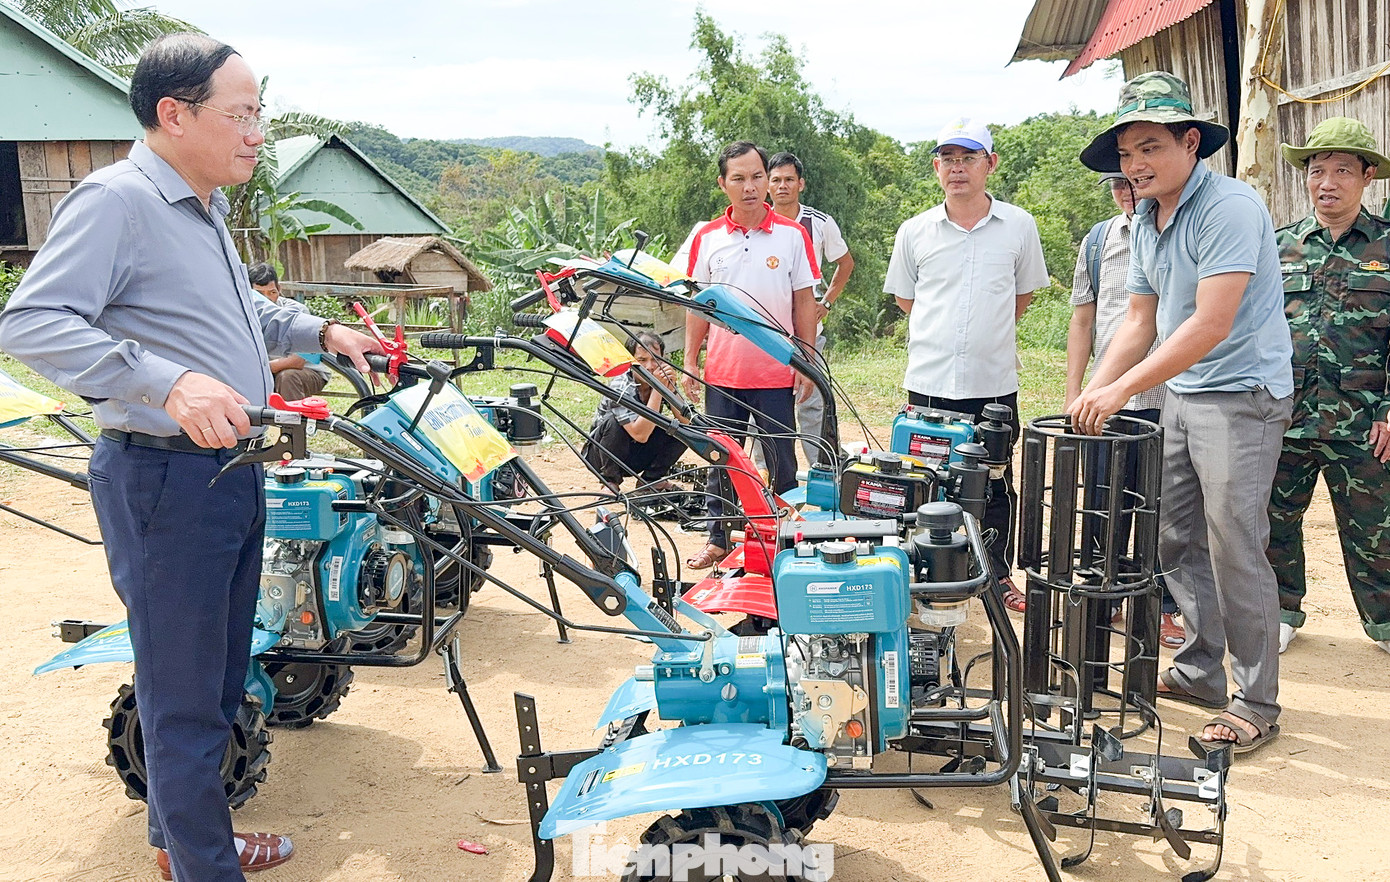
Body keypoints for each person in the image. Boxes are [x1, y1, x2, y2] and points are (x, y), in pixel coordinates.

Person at [0, 34, 381, 880]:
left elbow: (242, 312)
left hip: (226, 476)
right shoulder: (116, 201)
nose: (256, 133)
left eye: (259, 114)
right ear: (175, 114)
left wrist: (321, 330)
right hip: (164, 478)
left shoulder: (199, 206)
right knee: (181, 697)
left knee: (214, 683)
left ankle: (184, 843)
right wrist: (166, 383)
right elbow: (29, 321)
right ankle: (205, 866)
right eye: (240, 114)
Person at [1069, 71, 1294, 755]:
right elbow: (1140, 320)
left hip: (1242, 395)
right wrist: (1093, 392)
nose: (1135, 166)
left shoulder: (1229, 207)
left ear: (1189, 141)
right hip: (1181, 392)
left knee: (1234, 543)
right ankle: (1200, 668)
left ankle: (1256, 700)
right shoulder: (1145, 215)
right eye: (1126, 156)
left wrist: (1116, 391)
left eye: (1149, 148)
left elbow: (1210, 323)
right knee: (1171, 536)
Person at [884, 117, 1049, 610]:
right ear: (937, 167)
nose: (957, 169)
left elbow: (1023, 296)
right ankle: (930, 573)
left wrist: (981, 335)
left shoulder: (1018, 225)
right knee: (924, 478)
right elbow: (907, 300)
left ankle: (996, 574)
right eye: (947, 159)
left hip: (992, 381)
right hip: (930, 380)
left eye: (968, 158)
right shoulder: (916, 231)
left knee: (995, 480)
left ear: (989, 164)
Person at [1269, 117, 1390, 657]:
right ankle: (1278, 612)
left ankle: (1384, 624)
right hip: (1285, 416)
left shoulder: (1386, 248)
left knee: (1376, 532)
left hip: (1364, 421)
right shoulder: (1278, 247)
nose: (1328, 182)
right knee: (1273, 522)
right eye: (1318, 170)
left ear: (1367, 177)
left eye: (1343, 170)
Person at [676, 140, 819, 569]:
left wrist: (806, 360)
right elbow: (697, 304)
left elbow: (804, 302)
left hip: (777, 369)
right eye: (739, 178)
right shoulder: (707, 237)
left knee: (783, 463)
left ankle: (784, 542)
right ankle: (718, 538)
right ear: (723, 184)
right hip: (723, 372)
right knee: (722, 460)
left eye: (757, 176)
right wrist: (689, 359)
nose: (751, 186)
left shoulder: (793, 236)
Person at [1066, 172, 1184, 650]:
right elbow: (1082, 318)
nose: (1126, 192)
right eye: (1117, 183)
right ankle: (1104, 596)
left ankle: (1161, 607)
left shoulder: (1175, 234)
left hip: (1166, 396)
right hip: (1105, 397)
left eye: (1132, 183)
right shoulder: (1097, 241)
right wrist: (1076, 390)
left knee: (1160, 505)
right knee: (1102, 500)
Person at [767, 151, 854, 466]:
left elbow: (845, 264)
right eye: (776, 180)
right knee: (763, 412)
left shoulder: (818, 223)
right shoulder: (757, 222)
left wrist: (827, 302)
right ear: (766, 185)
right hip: (765, 333)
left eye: (789, 179)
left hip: (806, 333)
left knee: (812, 404)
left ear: (800, 184)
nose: (783, 186)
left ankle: (824, 474)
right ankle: (767, 482)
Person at [581, 331, 688, 492]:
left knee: (684, 431)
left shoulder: (662, 378)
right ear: (630, 361)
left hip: (637, 452)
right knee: (613, 422)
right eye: (642, 360)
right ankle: (610, 481)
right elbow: (640, 434)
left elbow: (687, 421)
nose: (649, 367)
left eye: (655, 359)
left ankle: (650, 480)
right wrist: (659, 390)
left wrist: (671, 389)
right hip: (603, 455)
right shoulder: (620, 385)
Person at [247, 262, 332, 401]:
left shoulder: (296, 311)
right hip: (265, 372)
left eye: (272, 292)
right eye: (260, 295)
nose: (267, 299)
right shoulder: (241, 316)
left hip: (305, 371)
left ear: (279, 289)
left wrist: (258, 370)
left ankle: (293, 422)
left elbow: (297, 361)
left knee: (287, 377)